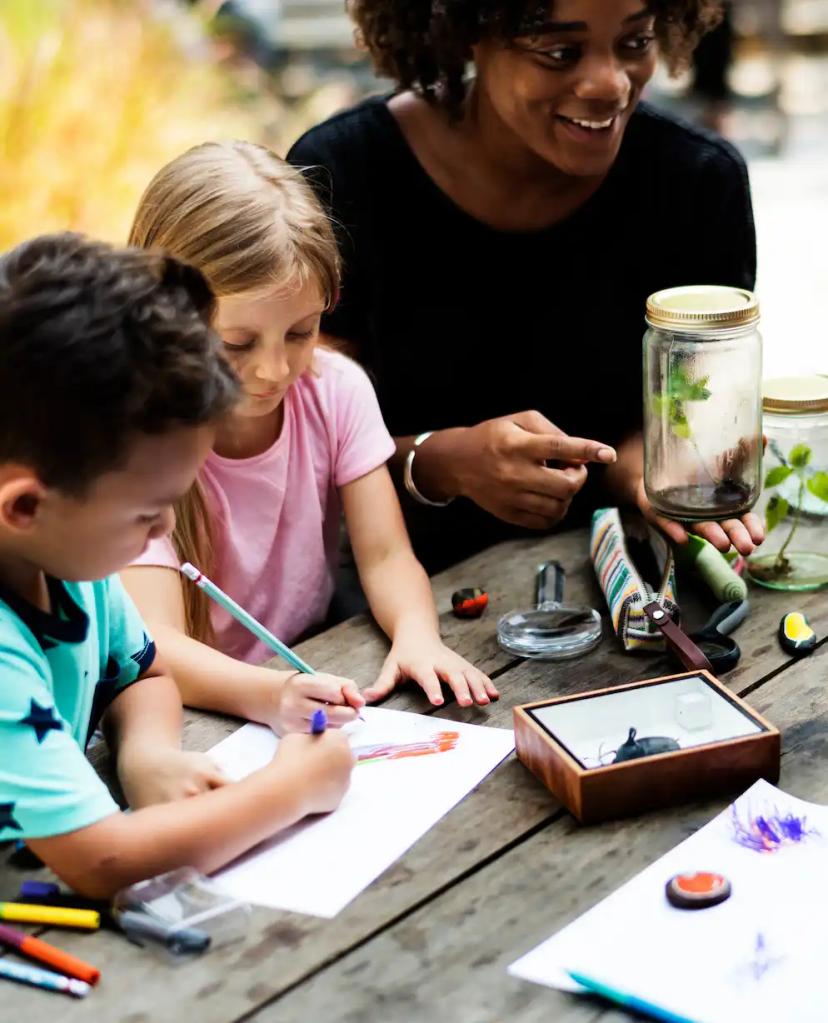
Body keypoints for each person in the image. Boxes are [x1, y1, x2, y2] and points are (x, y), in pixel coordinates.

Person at [287, 0, 764, 576]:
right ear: (466, 34)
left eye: (635, 43)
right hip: (397, 590)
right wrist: (444, 460)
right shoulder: (345, 174)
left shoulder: (697, 185)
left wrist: (650, 465)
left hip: (621, 577)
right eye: (561, 52)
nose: (610, 84)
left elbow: (689, 412)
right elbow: (298, 447)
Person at [0, 233, 353, 897]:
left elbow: (140, 669)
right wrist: (290, 788)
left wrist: (148, 755)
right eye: (146, 512)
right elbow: (101, 861)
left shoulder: (66, 556)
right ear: (23, 506)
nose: (165, 529)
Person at [122, 141, 498, 725]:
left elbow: (386, 555)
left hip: (309, 665)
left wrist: (417, 635)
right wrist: (273, 695)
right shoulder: (132, 439)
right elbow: (157, 645)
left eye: (300, 332)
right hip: (186, 710)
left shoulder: (335, 389)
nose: (274, 370)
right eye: (236, 344)